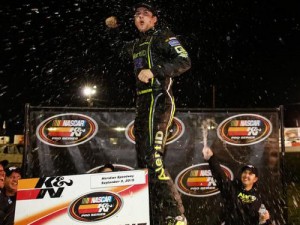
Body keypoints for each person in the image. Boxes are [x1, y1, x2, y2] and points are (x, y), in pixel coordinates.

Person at [105, 2, 191, 225]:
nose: (140, 17)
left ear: (154, 20)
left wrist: (154, 71)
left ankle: (176, 214)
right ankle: (155, 213)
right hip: (142, 103)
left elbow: (184, 61)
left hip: (159, 99)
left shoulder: (163, 36)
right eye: (137, 15)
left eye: (146, 14)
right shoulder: (135, 45)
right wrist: (112, 29)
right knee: (144, 161)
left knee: (153, 157)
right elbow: (116, 50)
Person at [202, 146, 273, 225]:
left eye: (250, 174)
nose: (246, 175)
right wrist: (212, 158)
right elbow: (220, 176)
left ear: (255, 179)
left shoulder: (260, 195)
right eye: (245, 172)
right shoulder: (231, 188)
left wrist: (264, 220)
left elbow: (266, 218)